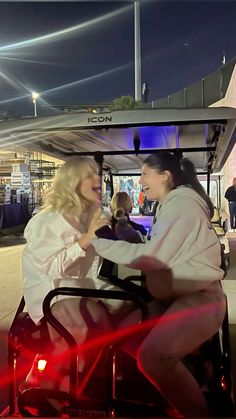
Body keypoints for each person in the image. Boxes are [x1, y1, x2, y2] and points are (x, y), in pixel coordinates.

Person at [91, 151, 226, 417]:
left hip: (198, 297)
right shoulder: (171, 204)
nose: (140, 182)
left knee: (153, 357)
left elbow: (153, 256)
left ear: (165, 176)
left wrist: (96, 243)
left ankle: (201, 412)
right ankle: (191, 375)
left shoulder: (181, 204)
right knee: (124, 338)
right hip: (177, 296)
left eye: (144, 174)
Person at [22, 157, 115, 370]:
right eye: (90, 174)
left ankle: (90, 380)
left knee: (115, 318)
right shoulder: (47, 221)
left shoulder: (89, 216)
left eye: (97, 173)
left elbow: (95, 265)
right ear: (72, 182)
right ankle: (54, 390)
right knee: (79, 328)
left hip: (79, 289)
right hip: (52, 294)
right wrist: (84, 241)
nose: (98, 178)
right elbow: (48, 270)